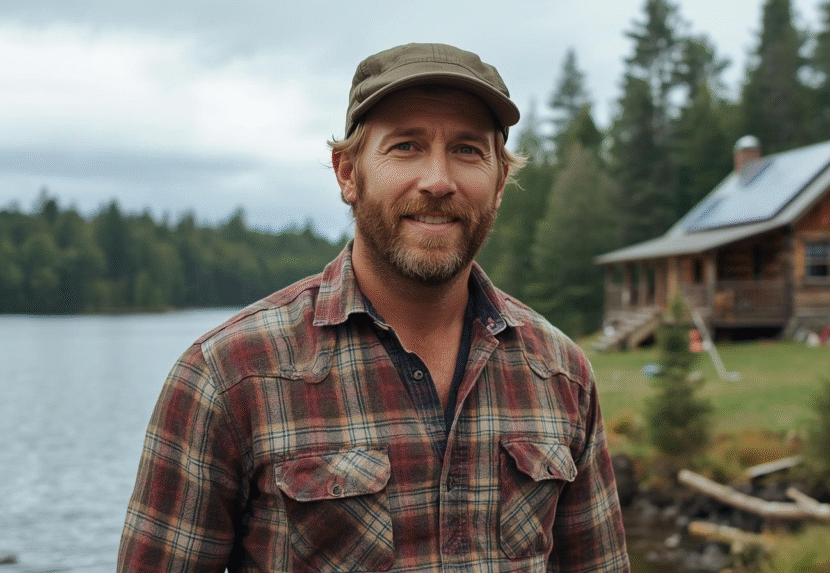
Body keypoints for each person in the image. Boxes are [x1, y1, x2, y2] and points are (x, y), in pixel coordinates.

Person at [118, 42, 630, 572]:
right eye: (406, 146)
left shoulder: (561, 375)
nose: (438, 180)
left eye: (468, 150)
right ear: (347, 173)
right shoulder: (228, 376)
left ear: (500, 182)